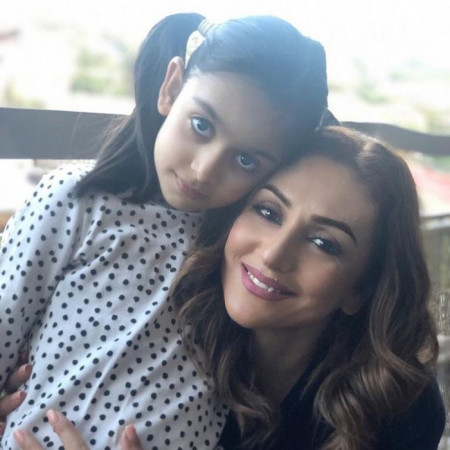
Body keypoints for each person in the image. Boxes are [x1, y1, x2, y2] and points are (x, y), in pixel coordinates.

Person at [0, 11, 330, 450]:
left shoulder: (241, 252)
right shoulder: (77, 199)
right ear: (171, 87)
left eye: (246, 160)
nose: (204, 169)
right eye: (202, 125)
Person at [11, 127, 446, 449]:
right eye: (268, 212)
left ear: (362, 289)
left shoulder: (398, 406)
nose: (274, 254)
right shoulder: (159, 318)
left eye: (323, 243)